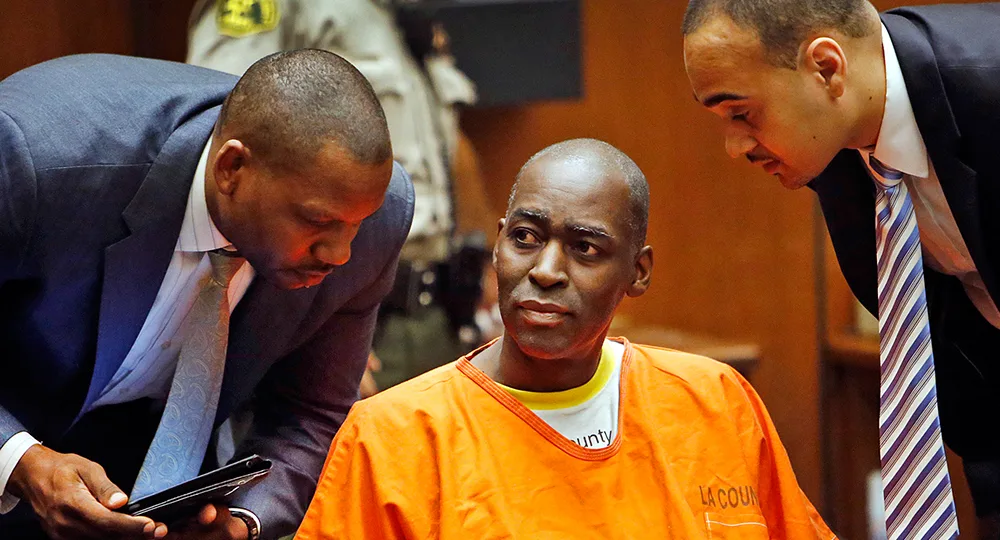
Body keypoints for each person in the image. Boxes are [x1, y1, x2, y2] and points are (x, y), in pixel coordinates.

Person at [293, 138, 834, 539]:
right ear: (498, 245)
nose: (546, 270)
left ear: (638, 273)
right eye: (525, 238)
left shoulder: (716, 402)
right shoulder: (394, 437)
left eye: (585, 248)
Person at [0, 49, 414, 540]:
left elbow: (313, 415)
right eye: (318, 221)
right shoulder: (35, 159)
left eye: (356, 225)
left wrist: (243, 522)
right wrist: (20, 459)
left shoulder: (375, 213)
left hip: (153, 485)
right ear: (231, 169)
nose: (342, 253)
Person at [682, 1, 1000, 537]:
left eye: (741, 113)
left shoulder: (987, 81)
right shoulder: (831, 143)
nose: (735, 147)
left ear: (827, 68)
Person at [188, 0, 494, 394]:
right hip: (338, 308)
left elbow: (447, 144)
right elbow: (226, 124)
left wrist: (483, 257)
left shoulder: (404, 10)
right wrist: (318, 326)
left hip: (435, 312)